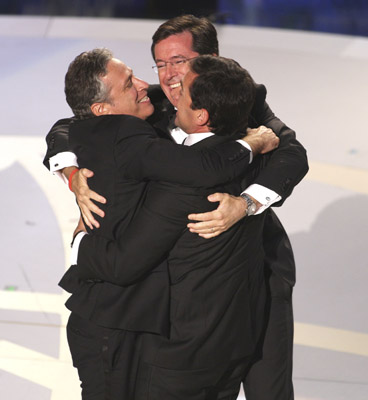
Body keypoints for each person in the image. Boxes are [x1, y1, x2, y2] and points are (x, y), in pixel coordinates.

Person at [44, 15, 308, 400]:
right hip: (178, 302)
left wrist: (246, 204)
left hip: (259, 273)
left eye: (179, 62)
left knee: (268, 389)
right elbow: (71, 124)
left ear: (209, 59)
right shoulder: (147, 103)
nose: (168, 76)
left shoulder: (239, 99)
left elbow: (292, 154)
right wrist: (71, 171)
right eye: (161, 63)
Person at [72, 54, 278, 400]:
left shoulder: (186, 177)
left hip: (181, 353)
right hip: (233, 341)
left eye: (180, 91)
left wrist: (79, 239)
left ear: (200, 114)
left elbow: (123, 264)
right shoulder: (259, 151)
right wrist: (69, 171)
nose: (165, 91)